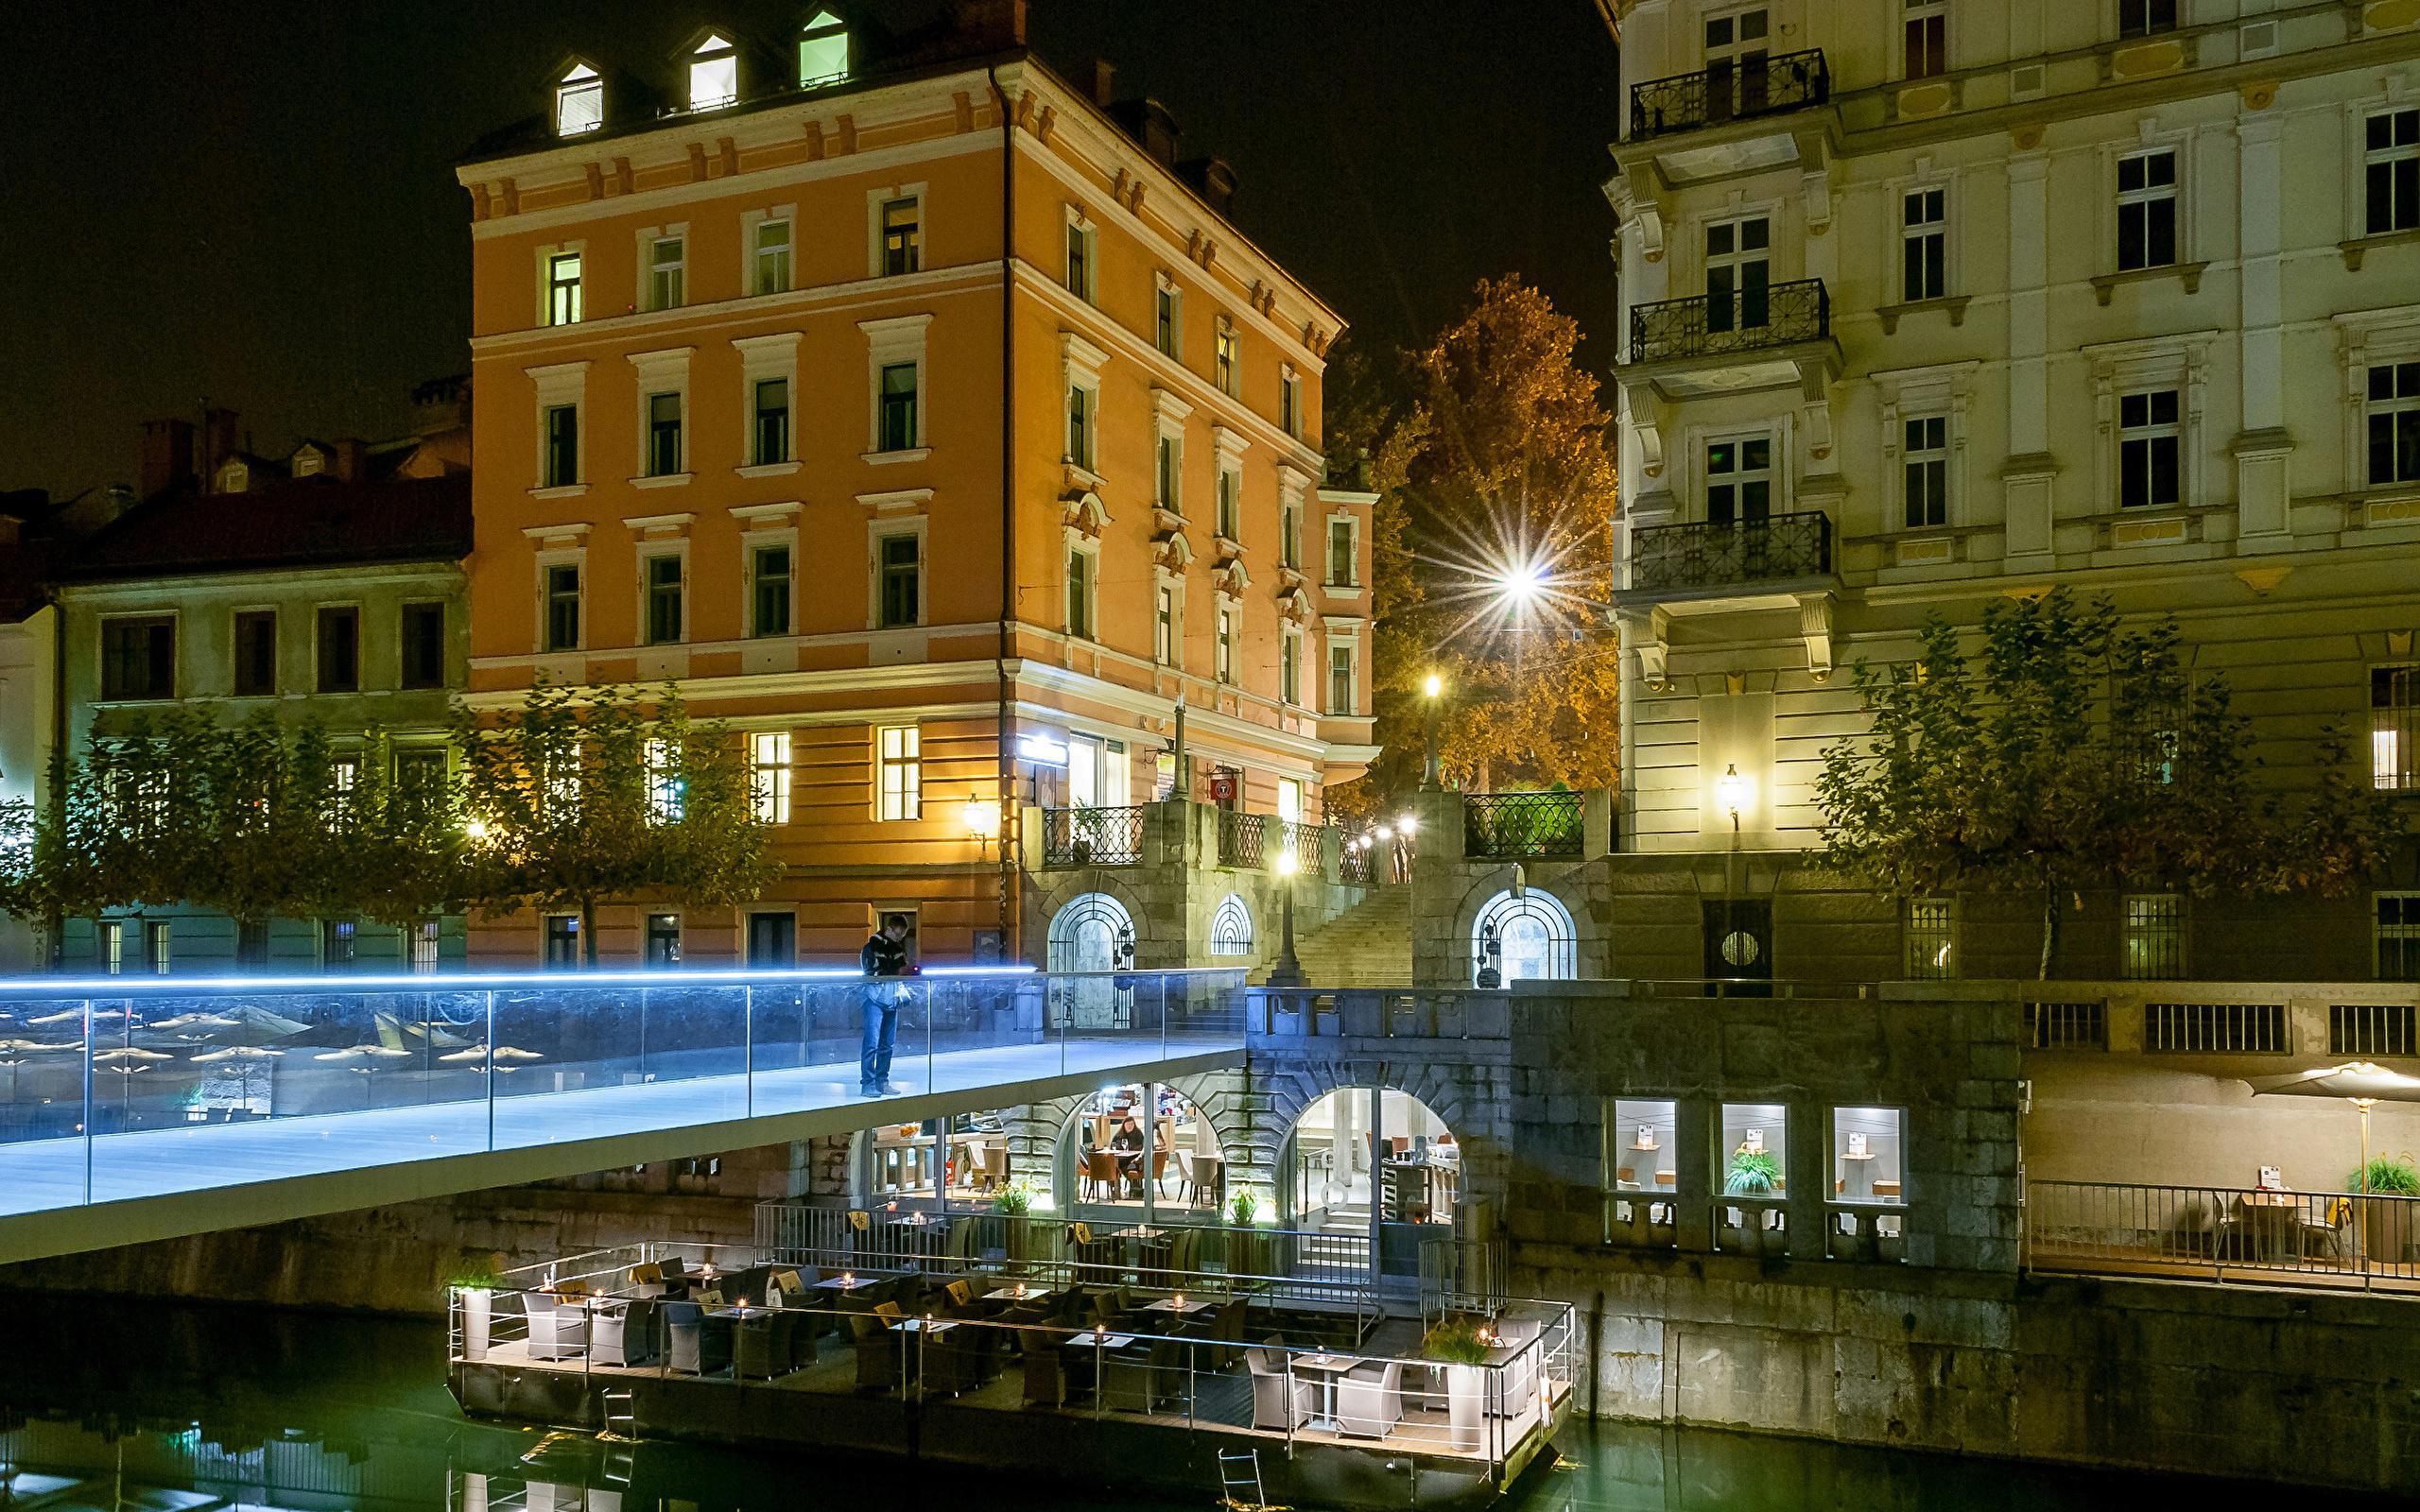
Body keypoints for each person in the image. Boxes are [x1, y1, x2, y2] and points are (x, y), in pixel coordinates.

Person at [858, 913, 914, 1096]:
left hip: (891, 999)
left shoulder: (896, 949)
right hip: (874, 998)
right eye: (898, 934)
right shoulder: (871, 947)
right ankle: (868, 1083)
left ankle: (881, 1081)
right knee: (872, 1043)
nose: (899, 939)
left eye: (902, 936)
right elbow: (876, 971)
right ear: (889, 929)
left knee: (887, 1044)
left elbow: (898, 969)